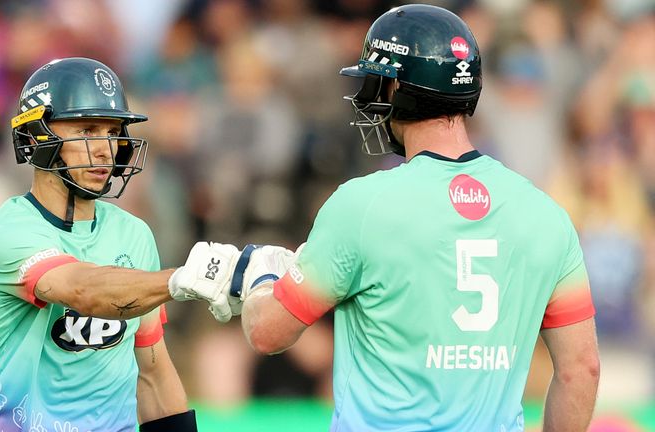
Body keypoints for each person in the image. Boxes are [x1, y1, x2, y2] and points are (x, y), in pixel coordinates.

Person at [232, 5, 600, 432]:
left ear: (393, 88)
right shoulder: (545, 214)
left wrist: (259, 279)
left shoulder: (362, 205)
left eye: (375, 80)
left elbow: (267, 334)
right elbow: (581, 371)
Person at [0, 57, 241, 432]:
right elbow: (83, 289)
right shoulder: (7, 232)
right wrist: (181, 279)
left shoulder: (134, 234)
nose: (106, 150)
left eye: (112, 132)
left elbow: (152, 374)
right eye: (88, 130)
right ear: (36, 136)